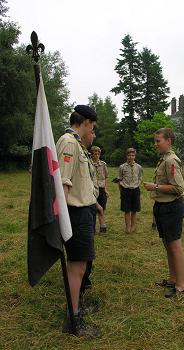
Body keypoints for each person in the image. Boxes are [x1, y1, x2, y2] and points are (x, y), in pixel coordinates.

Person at [56, 105, 101, 337]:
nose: (92, 131)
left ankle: (77, 308)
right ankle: (73, 320)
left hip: (83, 211)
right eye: (92, 127)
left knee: (81, 264)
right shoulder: (70, 143)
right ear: (84, 123)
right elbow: (63, 182)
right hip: (74, 213)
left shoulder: (77, 145)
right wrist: (61, 219)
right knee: (77, 265)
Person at [144, 128, 184, 298]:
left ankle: (181, 286)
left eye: (158, 141)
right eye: (155, 141)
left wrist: (155, 187)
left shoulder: (171, 161)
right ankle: (172, 279)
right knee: (168, 245)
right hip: (162, 207)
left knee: (175, 246)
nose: (155, 144)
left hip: (172, 208)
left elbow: (178, 188)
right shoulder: (164, 159)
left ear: (168, 141)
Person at [118, 148, 143, 233]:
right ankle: (127, 227)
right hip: (126, 190)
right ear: (126, 156)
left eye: (133, 155)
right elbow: (120, 179)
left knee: (134, 209)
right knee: (127, 210)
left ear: (135, 156)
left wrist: (137, 184)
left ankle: (133, 226)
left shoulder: (139, 167)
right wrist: (121, 191)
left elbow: (140, 177)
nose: (131, 157)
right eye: (129, 155)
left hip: (135, 190)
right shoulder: (122, 167)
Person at [90, 146, 109, 233]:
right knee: (93, 209)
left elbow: (106, 177)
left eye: (98, 154)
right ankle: (92, 228)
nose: (97, 155)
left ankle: (102, 226)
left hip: (101, 189)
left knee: (102, 208)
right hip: (93, 189)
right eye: (95, 154)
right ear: (92, 154)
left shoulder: (103, 164)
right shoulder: (89, 164)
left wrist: (106, 189)